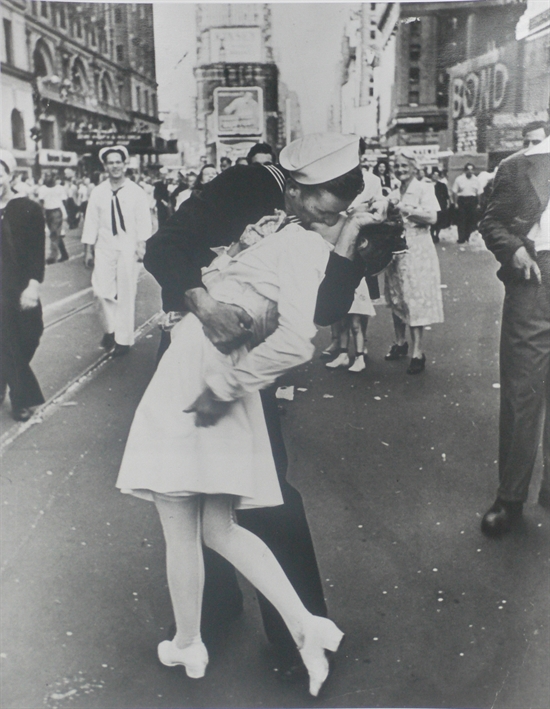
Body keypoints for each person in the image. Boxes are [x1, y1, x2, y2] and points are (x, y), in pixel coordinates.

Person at [118, 134, 377, 695]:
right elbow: (166, 247)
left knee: (256, 492)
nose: (323, 219)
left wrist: (351, 254)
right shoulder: (246, 185)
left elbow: (322, 310)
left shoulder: (317, 222)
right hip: (201, 343)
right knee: (201, 494)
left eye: (337, 214)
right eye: (322, 208)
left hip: (242, 364)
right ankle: (214, 615)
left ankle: (289, 630)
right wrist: (204, 304)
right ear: (302, 186)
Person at [479, 129, 550, 536]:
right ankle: (510, 497)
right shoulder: (520, 166)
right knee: (523, 392)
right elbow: (492, 221)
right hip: (535, 281)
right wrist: (515, 249)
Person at [81, 146, 152, 357]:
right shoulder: (98, 192)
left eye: (118, 162)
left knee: (127, 293)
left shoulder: (136, 192)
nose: (115, 166)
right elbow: (91, 222)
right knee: (100, 292)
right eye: (110, 162)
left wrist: (142, 246)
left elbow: (143, 221)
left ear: (125, 164)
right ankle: (110, 329)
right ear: (105, 166)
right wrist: (88, 250)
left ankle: (123, 340)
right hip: (104, 247)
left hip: (128, 248)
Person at [384, 149, 444, 374]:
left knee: (415, 298)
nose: (400, 170)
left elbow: (432, 217)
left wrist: (401, 208)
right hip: (396, 249)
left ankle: (418, 352)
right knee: (397, 296)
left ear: (414, 167)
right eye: (397, 166)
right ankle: (400, 342)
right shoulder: (393, 191)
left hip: (417, 248)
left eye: (404, 166)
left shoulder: (424, 188)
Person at [0, 150, 46, 422]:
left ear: (9, 175)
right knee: (6, 341)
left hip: (19, 286)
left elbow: (36, 251)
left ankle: (4, 378)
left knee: (30, 334)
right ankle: (21, 399)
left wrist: (33, 285)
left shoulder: (27, 208)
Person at [38, 174, 69, 264]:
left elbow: (64, 200)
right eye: (46, 177)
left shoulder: (59, 188)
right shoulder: (42, 189)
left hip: (56, 212)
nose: (48, 179)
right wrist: (42, 213)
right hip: (48, 212)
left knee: (54, 234)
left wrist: (62, 210)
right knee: (55, 234)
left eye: (50, 177)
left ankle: (52, 257)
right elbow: (41, 202)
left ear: (54, 179)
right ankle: (64, 254)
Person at [452, 162, 481, 243]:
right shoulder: (459, 179)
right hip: (462, 200)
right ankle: (461, 238)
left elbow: (479, 192)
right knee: (461, 220)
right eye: (468, 170)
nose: (470, 172)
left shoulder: (476, 180)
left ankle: (467, 237)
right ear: (465, 171)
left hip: (472, 201)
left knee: (470, 220)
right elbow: (454, 192)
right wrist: (455, 203)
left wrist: (478, 204)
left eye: (472, 170)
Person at [429, 167, 451, 243]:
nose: (435, 177)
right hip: (430, 205)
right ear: (431, 176)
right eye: (434, 175)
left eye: (437, 175)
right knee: (431, 221)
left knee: (439, 221)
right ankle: (431, 234)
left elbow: (446, 196)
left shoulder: (442, 185)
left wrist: (447, 204)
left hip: (440, 205)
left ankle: (437, 235)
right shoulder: (427, 185)